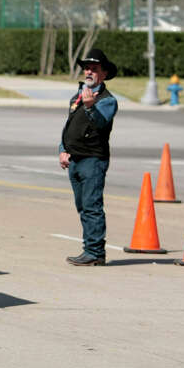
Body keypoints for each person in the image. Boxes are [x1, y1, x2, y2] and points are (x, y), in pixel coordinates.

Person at [59, 48, 119, 267]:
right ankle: (90, 250)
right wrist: (62, 149)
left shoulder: (106, 100)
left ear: (104, 73)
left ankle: (94, 252)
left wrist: (90, 107)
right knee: (82, 206)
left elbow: (100, 123)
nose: (89, 72)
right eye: (86, 68)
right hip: (74, 159)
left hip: (93, 160)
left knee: (92, 206)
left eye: (94, 69)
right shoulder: (79, 95)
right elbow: (70, 126)